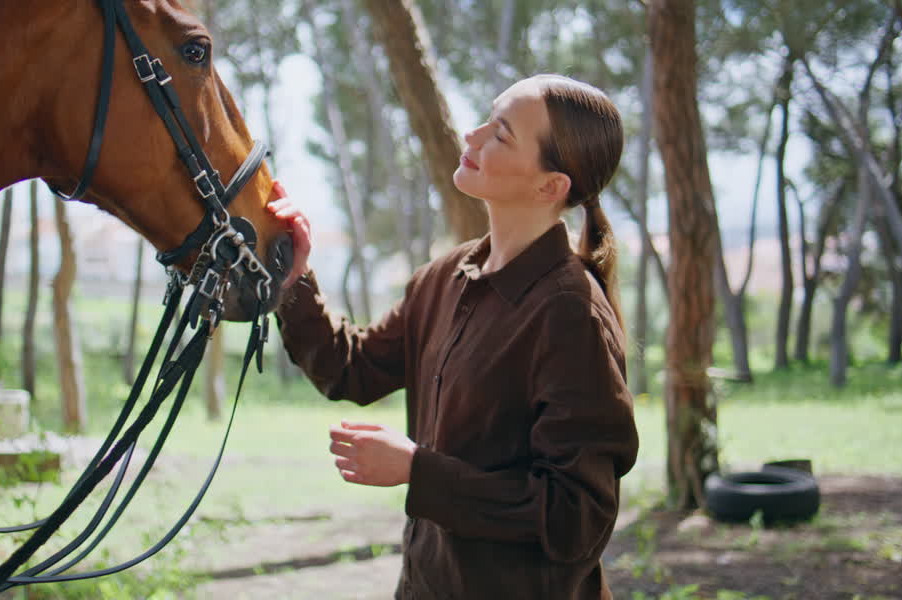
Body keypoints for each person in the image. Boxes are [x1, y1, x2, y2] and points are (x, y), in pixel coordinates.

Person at [267, 74, 639, 599]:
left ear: (550, 186)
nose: (472, 135)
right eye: (487, 117)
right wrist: (294, 274)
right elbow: (350, 367)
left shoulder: (571, 316)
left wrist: (418, 470)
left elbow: (575, 516)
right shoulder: (446, 276)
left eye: (501, 134)